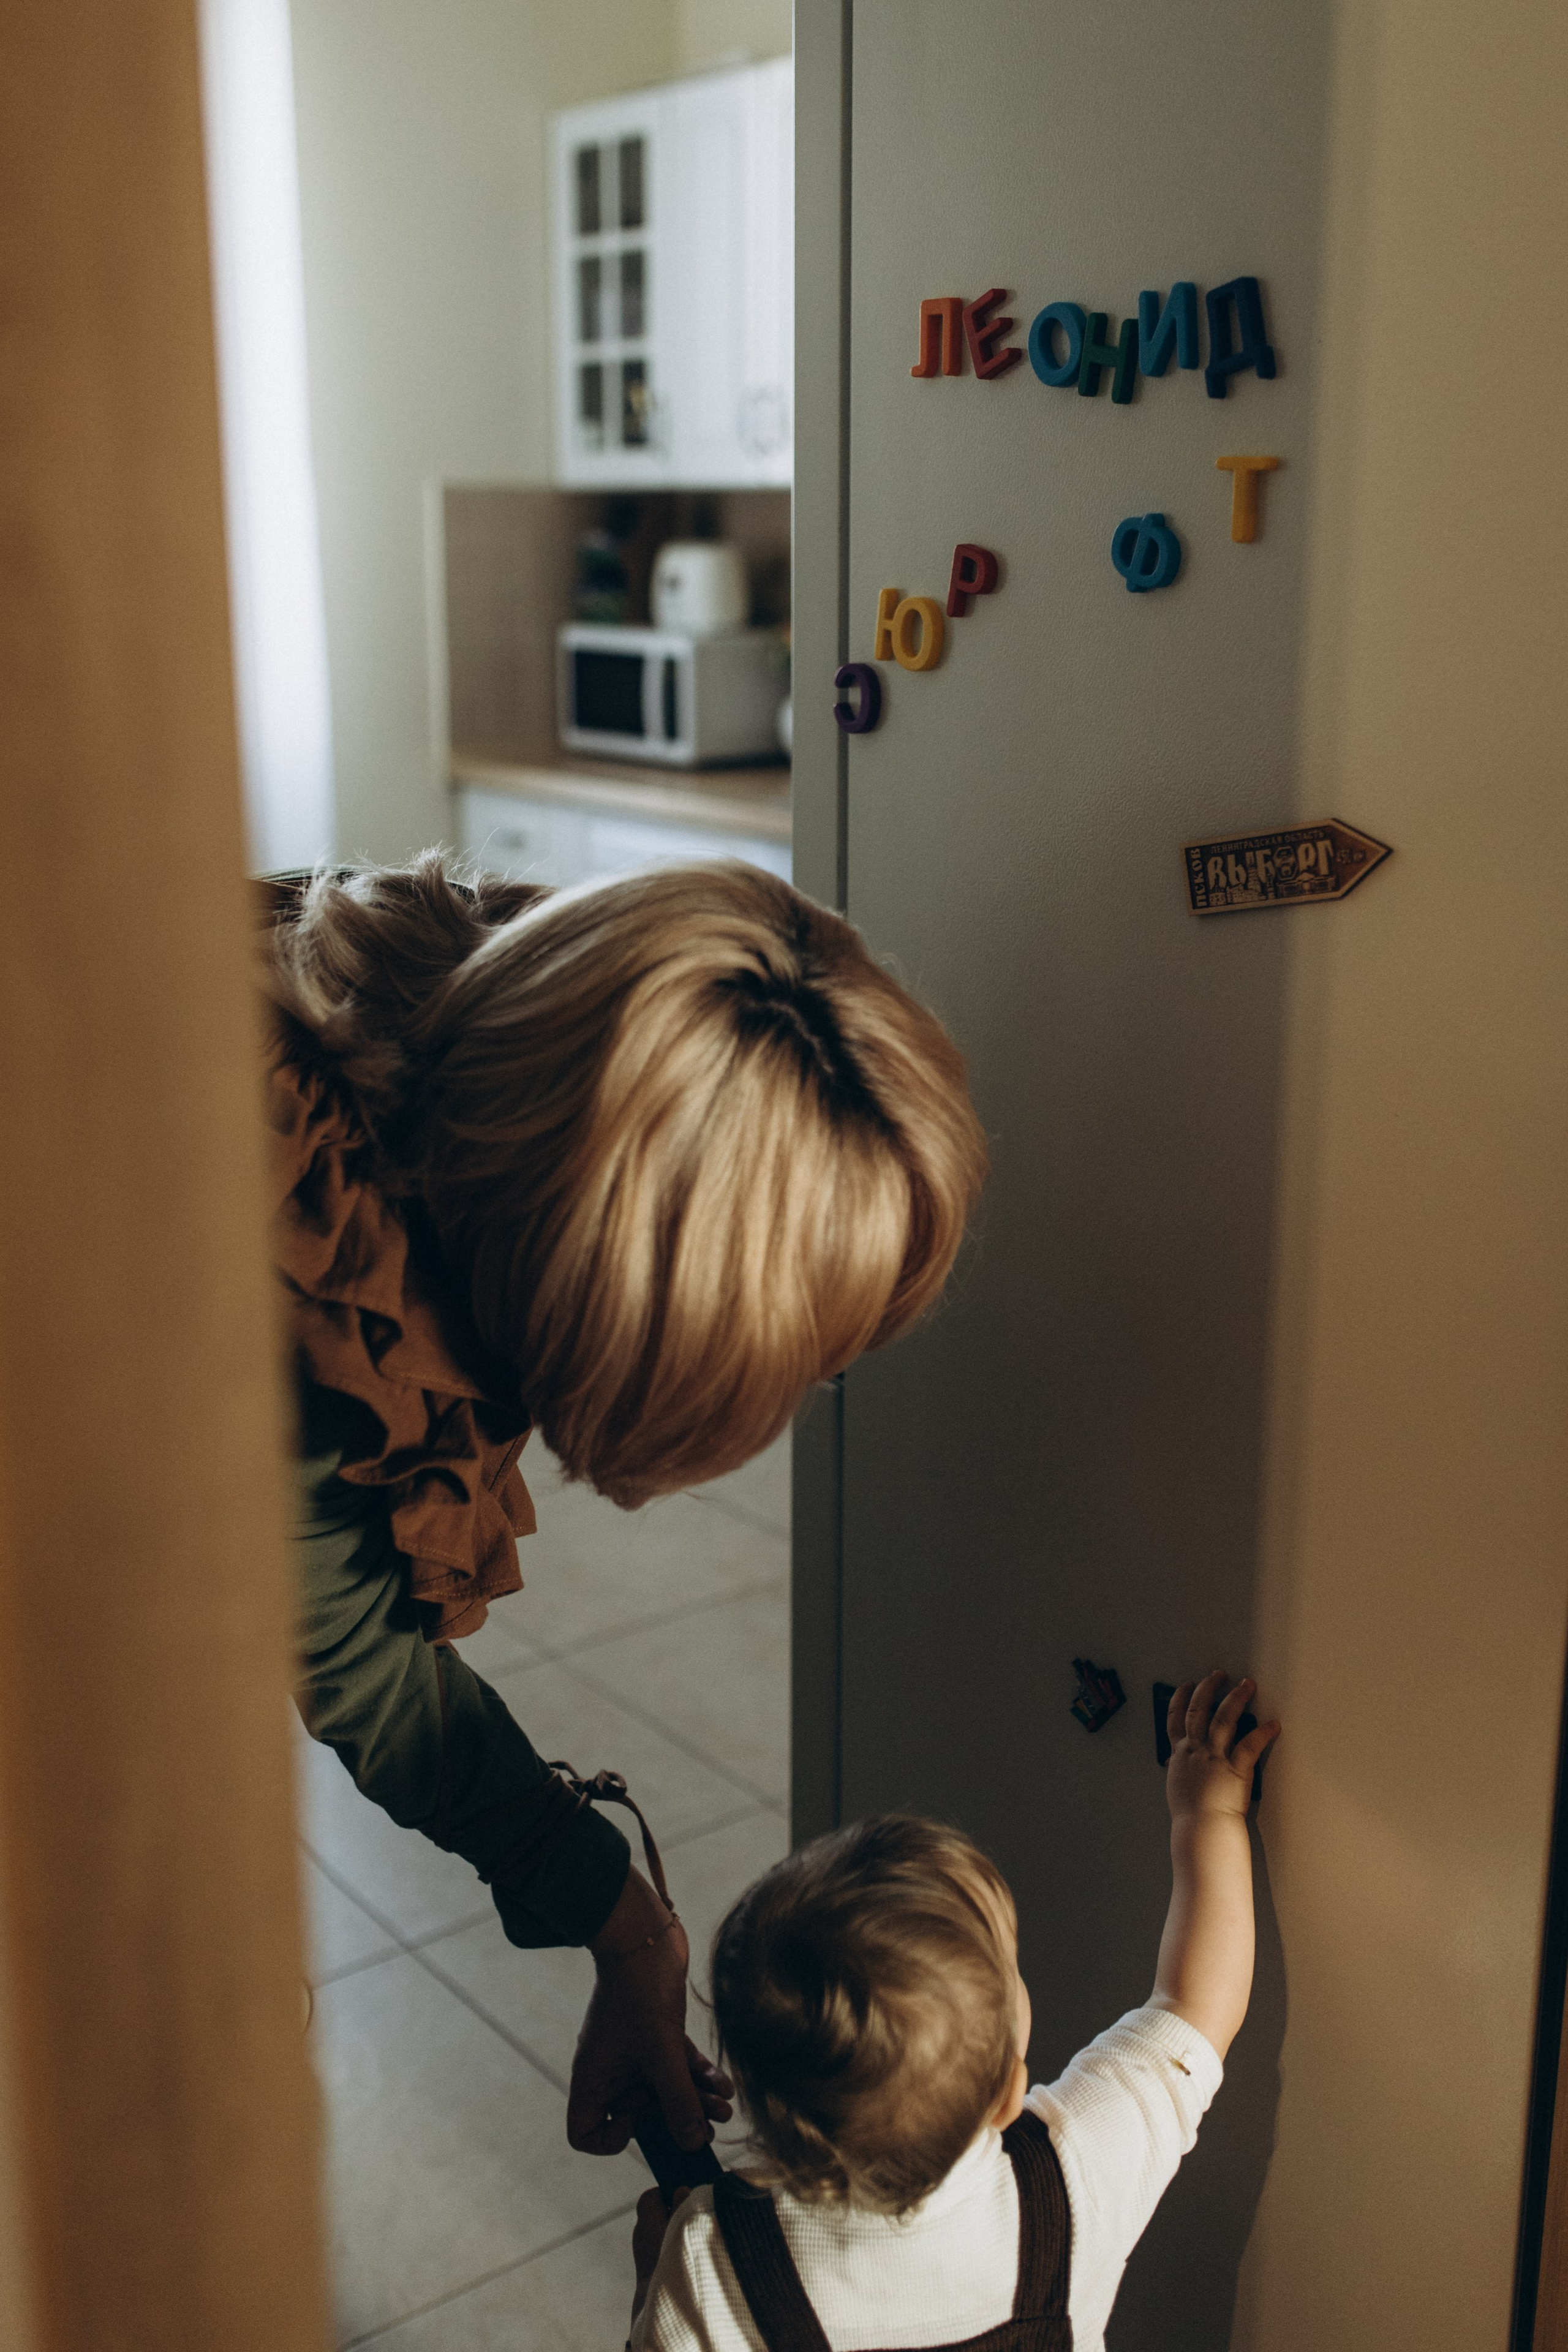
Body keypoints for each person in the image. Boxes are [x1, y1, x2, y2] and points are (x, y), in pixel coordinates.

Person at [260, 853, 988, 2159]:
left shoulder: (465, 1026)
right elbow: (354, 1660)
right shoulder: (281, 1265)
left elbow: (341, 1626)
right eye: (791, 1357)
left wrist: (623, 1926)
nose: (798, 1387)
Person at [629, 1672, 1281, 2349]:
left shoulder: (712, 2262)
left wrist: (653, 2287)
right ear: (1006, 2096)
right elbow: (1193, 2005)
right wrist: (1207, 1815)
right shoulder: (1073, 2177)